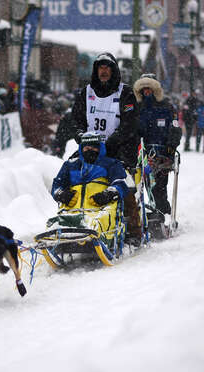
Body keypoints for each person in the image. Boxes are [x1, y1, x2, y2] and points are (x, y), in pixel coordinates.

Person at [70, 52, 140, 244]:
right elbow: (75, 121)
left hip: (120, 149)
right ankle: (74, 219)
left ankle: (133, 230)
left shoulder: (125, 93)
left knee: (124, 183)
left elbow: (129, 125)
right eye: (100, 67)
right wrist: (81, 137)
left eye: (107, 67)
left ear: (113, 70)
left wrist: (109, 144)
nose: (104, 71)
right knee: (72, 174)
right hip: (89, 149)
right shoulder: (85, 93)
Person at [50, 131, 129, 228]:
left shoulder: (111, 164)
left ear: (100, 148)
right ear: (81, 148)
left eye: (94, 148)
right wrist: (61, 194)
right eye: (87, 148)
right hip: (71, 211)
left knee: (96, 226)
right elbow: (57, 185)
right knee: (54, 225)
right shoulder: (70, 165)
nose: (90, 150)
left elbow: (121, 183)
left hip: (101, 210)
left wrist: (108, 194)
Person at [133, 74, 181, 214]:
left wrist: (171, 146)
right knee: (138, 188)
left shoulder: (167, 107)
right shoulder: (136, 108)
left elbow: (175, 128)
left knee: (158, 189)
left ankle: (162, 213)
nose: (147, 92)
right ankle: (141, 215)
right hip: (141, 153)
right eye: (144, 89)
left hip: (163, 154)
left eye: (149, 89)